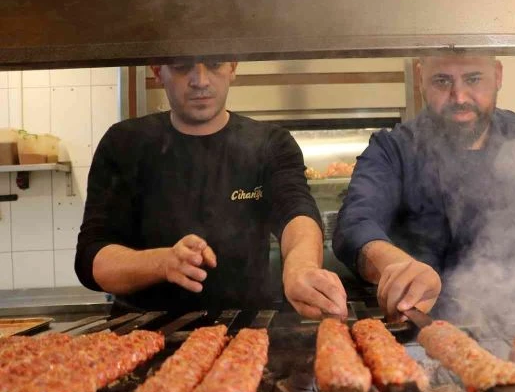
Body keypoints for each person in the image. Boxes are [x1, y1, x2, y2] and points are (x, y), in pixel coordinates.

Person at [333, 54, 515, 320]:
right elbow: (355, 225)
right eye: (441, 81)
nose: (459, 97)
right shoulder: (393, 150)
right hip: (419, 330)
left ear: (497, 75)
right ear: (420, 79)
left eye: (473, 79)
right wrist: (398, 265)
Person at [75, 60, 347, 319]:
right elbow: (93, 260)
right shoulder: (124, 143)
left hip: (247, 337)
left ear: (233, 67)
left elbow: (296, 212)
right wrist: (163, 262)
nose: (200, 80)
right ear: (158, 71)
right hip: (140, 336)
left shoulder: (271, 144)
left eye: (215, 64)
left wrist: (301, 267)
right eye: (183, 67)